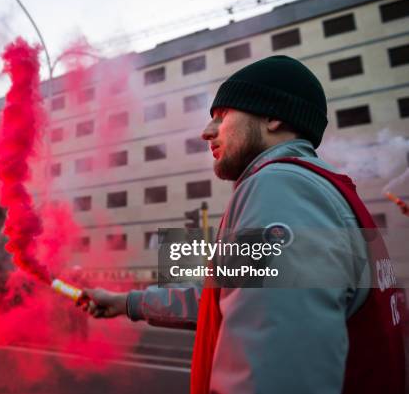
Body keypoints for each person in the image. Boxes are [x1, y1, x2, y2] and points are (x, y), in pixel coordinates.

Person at [81, 56, 406, 393]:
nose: (206, 132)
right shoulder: (318, 189)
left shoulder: (279, 189)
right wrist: (126, 303)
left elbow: (273, 374)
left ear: (273, 116)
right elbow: (228, 297)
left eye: (222, 117)